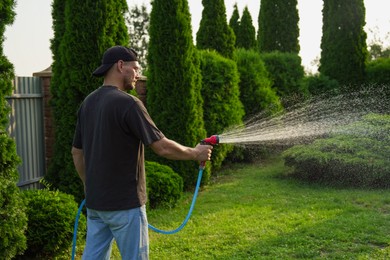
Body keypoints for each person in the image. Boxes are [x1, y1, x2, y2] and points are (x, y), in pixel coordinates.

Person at [71, 46, 213, 260]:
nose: (138, 74)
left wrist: (89, 186)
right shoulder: (128, 103)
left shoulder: (88, 103)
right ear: (121, 66)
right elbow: (162, 147)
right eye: (136, 68)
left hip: (96, 205)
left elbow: (76, 153)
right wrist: (195, 153)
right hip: (125, 205)